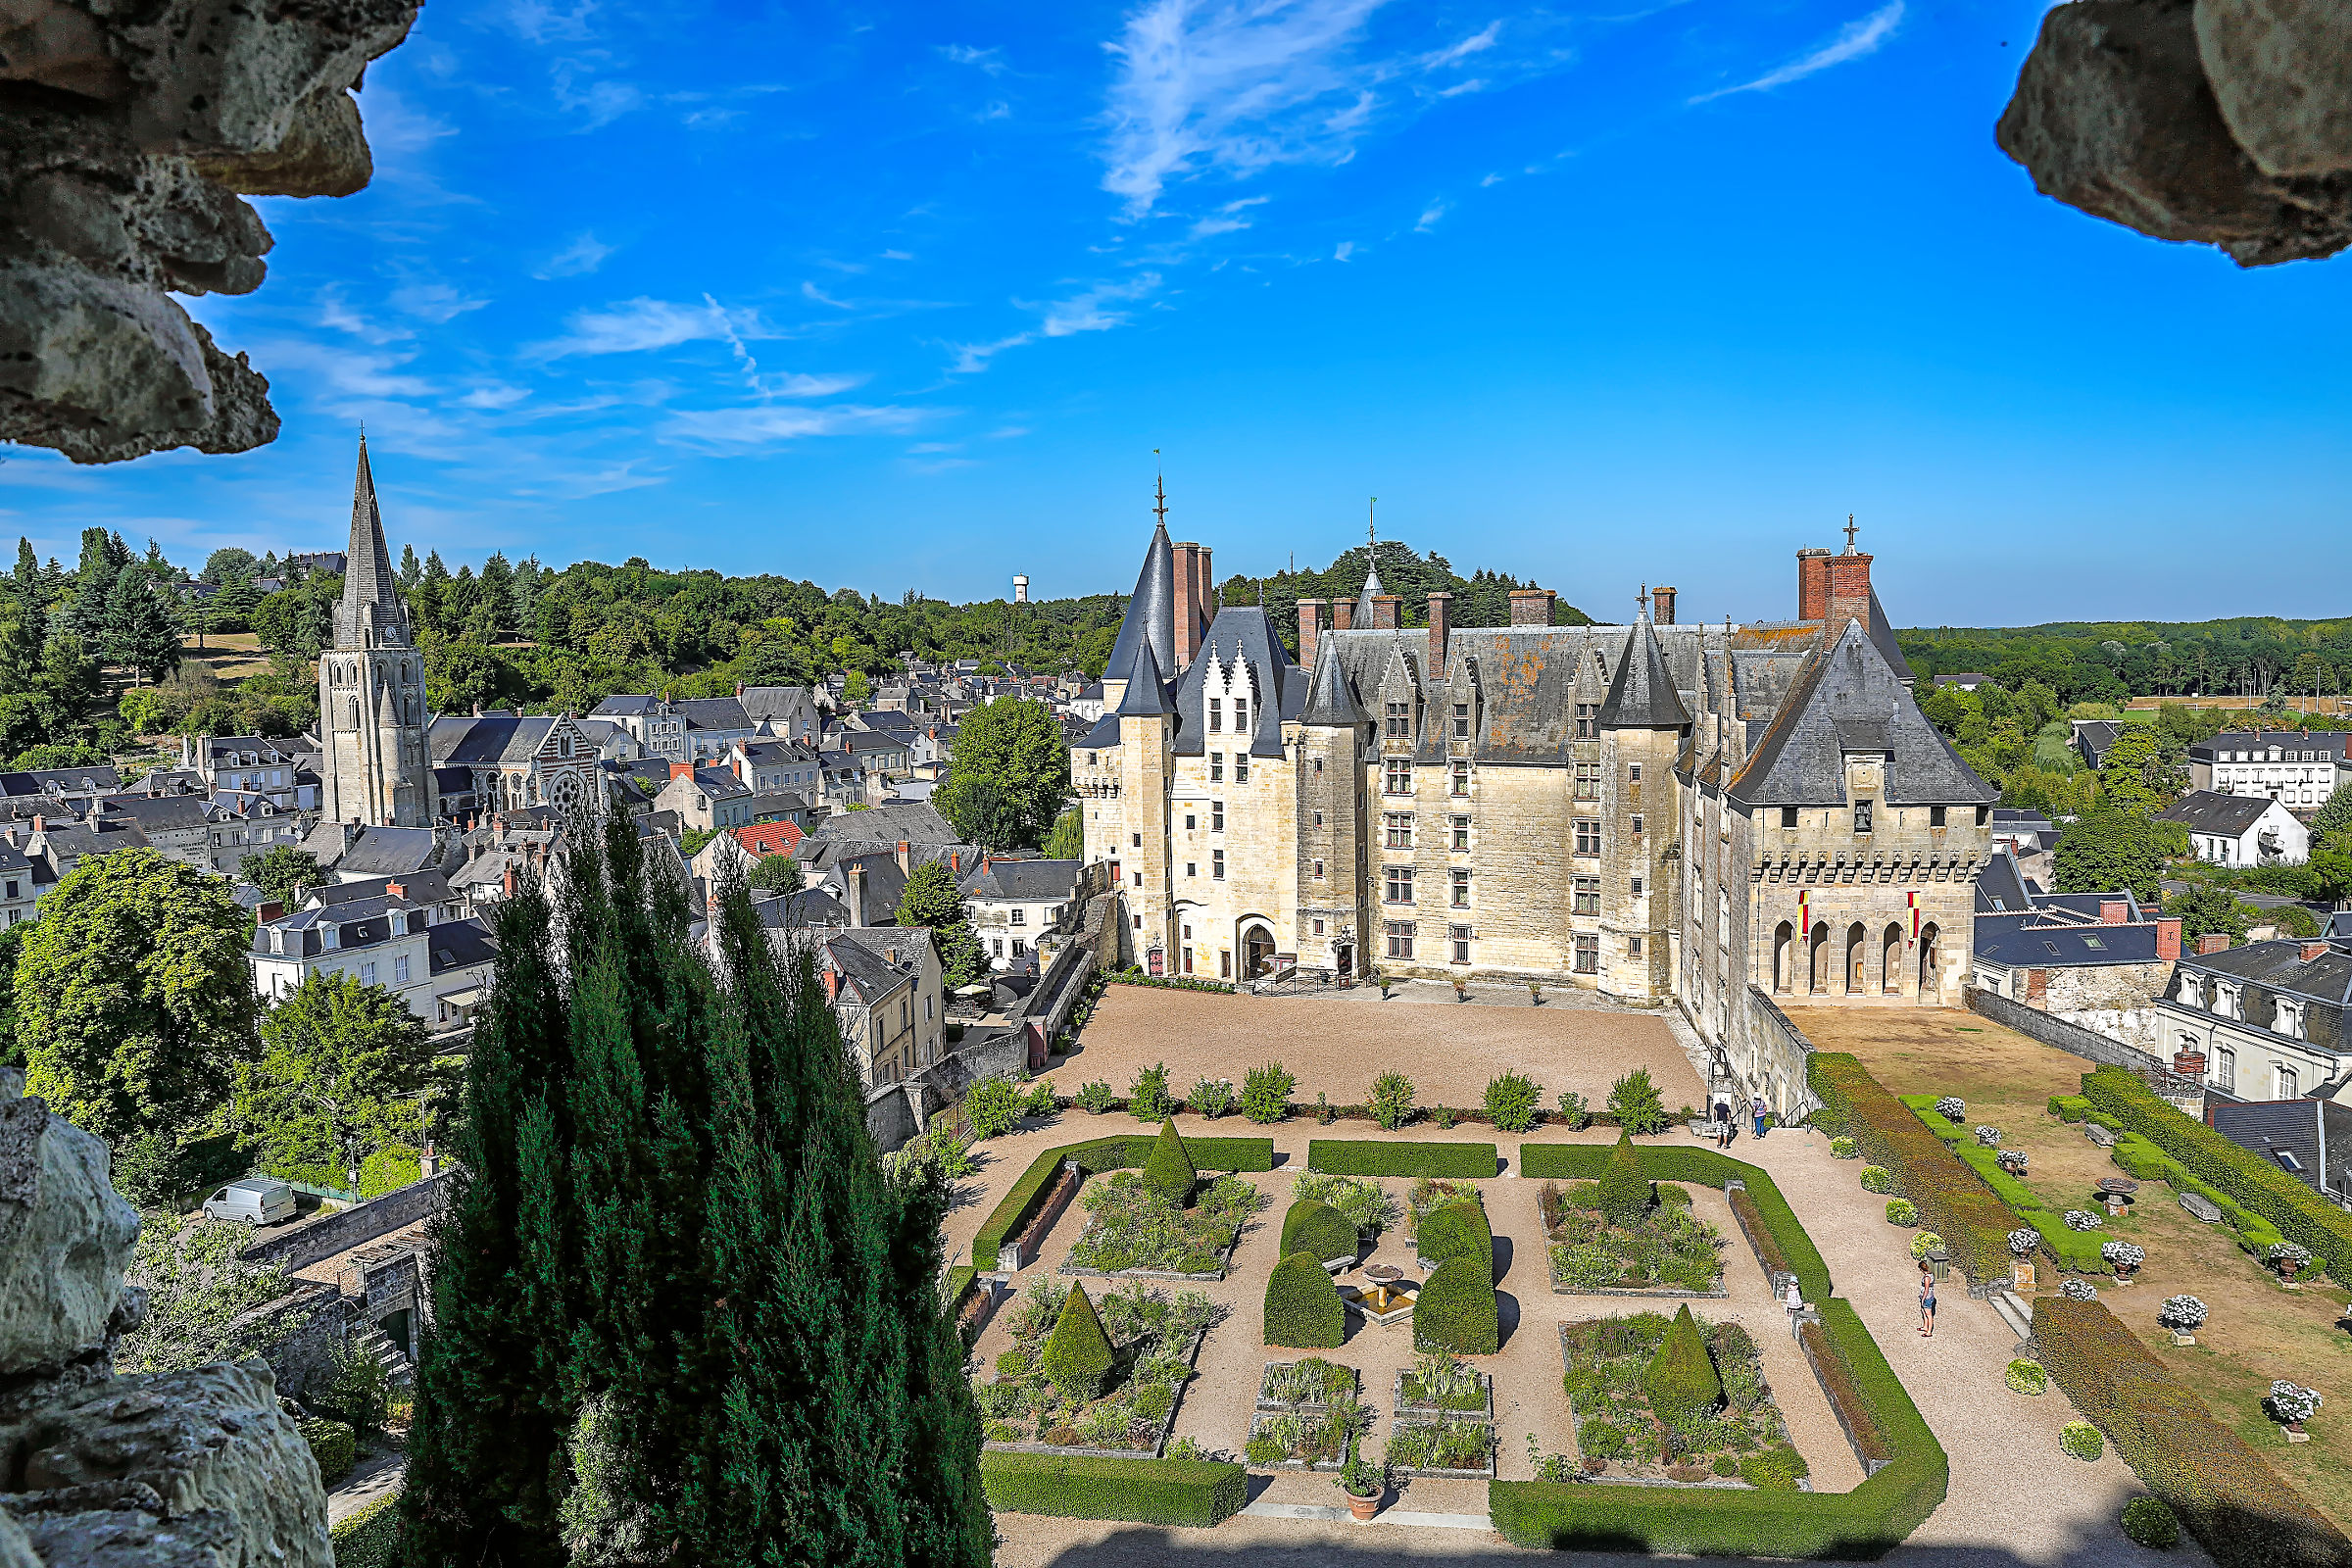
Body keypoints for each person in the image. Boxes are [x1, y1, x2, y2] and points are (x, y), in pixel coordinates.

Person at [1919, 1262, 1936, 1338]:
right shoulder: (1931, 1274)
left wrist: (1923, 1299)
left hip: (1927, 1297)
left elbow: (1926, 1290)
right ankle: (1925, 1326)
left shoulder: (1926, 1278)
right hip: (1928, 1296)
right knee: (1924, 1312)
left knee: (1929, 1315)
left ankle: (1929, 1332)